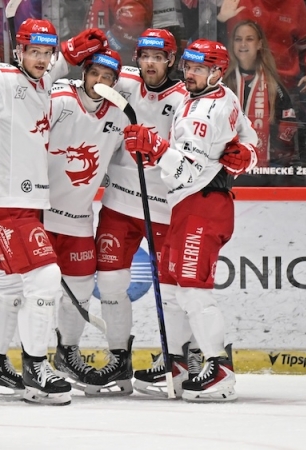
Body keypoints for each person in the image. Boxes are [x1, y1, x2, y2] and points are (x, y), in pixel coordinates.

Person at [0, 19, 108, 405]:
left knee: (6, 286)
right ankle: (36, 366)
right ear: (17, 50)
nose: (40, 59)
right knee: (46, 277)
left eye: (46, 52)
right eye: (32, 51)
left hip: (26, 203)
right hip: (3, 200)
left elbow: (56, 63)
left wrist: (70, 49)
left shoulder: (42, 78)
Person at [122, 38, 258, 402]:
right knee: (168, 285)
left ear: (217, 71)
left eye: (200, 68)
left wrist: (155, 148)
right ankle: (177, 363)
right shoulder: (219, 95)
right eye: (189, 66)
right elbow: (250, 136)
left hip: (203, 204)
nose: (191, 74)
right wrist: (249, 153)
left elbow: (187, 169)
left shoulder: (204, 115)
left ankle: (219, 369)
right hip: (185, 205)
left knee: (194, 290)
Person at [88, 28, 200, 398]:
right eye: (145, 56)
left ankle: (183, 356)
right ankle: (119, 360)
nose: (150, 63)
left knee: (175, 289)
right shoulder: (121, 84)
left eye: (159, 57)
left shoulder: (186, 96)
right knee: (110, 284)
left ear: (171, 60)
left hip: (167, 207)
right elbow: (80, 87)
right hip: (119, 202)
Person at [44, 49, 132, 395]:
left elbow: (118, 162)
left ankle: (66, 354)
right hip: (41, 213)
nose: (101, 82)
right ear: (85, 73)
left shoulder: (121, 116)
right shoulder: (60, 98)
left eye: (108, 77)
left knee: (79, 292)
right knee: (27, 294)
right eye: (95, 73)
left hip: (79, 218)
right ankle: (24, 359)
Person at [217, 0, 306, 166]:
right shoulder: (237, 1)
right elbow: (212, 40)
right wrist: (219, 20)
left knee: (305, 87)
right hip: (241, 79)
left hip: (285, 81)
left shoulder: (295, 4)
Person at [223, 20, 297, 167]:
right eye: (238, 39)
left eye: (249, 39)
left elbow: (288, 122)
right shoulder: (223, 82)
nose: (243, 44)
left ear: (259, 44)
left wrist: (277, 155)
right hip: (229, 165)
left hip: (267, 167)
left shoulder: (273, 84)